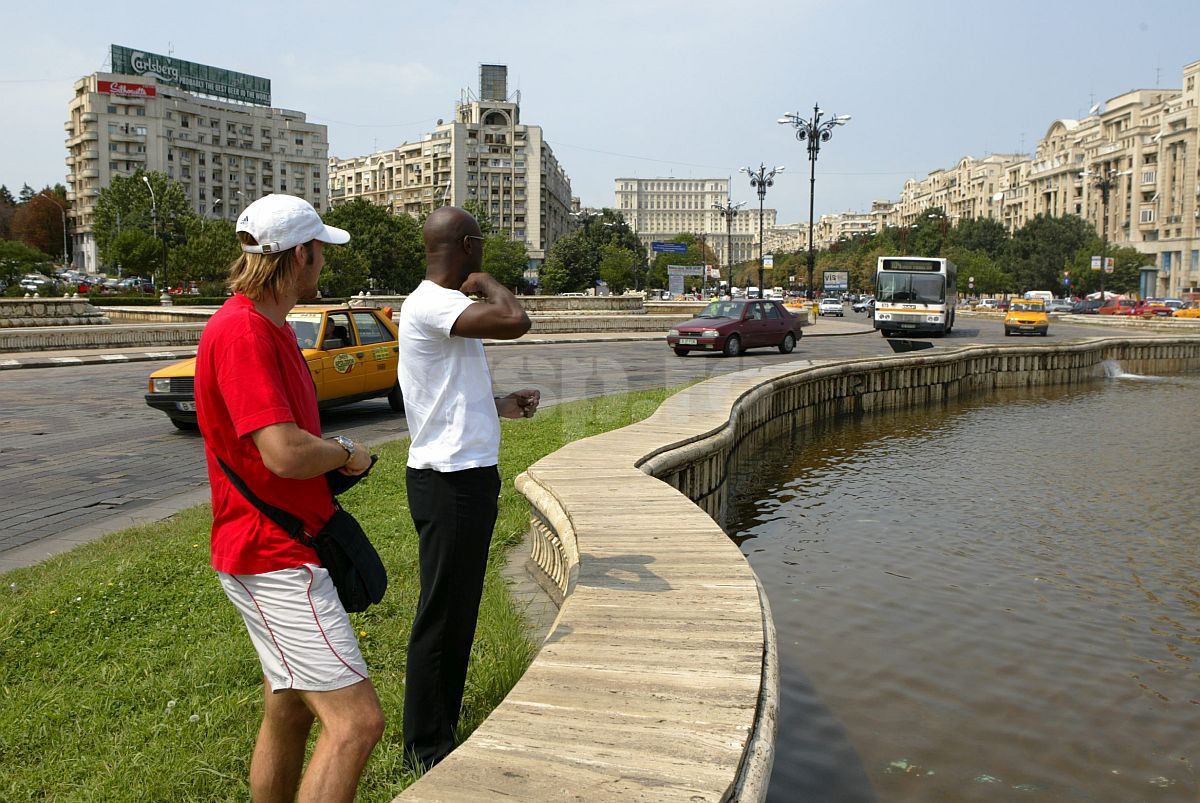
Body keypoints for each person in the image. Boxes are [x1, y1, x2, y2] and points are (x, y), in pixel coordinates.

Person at [194, 194, 383, 803]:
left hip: (267, 544)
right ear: (301, 254)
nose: (323, 262)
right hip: (275, 555)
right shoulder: (246, 332)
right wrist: (346, 452)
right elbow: (283, 452)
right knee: (356, 725)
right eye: (320, 251)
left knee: (291, 708)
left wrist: (325, 459)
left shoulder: (263, 327)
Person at [397, 206, 540, 769]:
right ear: (468, 245)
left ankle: (438, 730)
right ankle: (426, 750)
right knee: (443, 615)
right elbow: (514, 319)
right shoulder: (436, 303)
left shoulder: (439, 310)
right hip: (450, 482)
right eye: (481, 247)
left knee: (458, 612)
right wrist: (483, 282)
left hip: (462, 476)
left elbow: (444, 394)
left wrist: (498, 405)